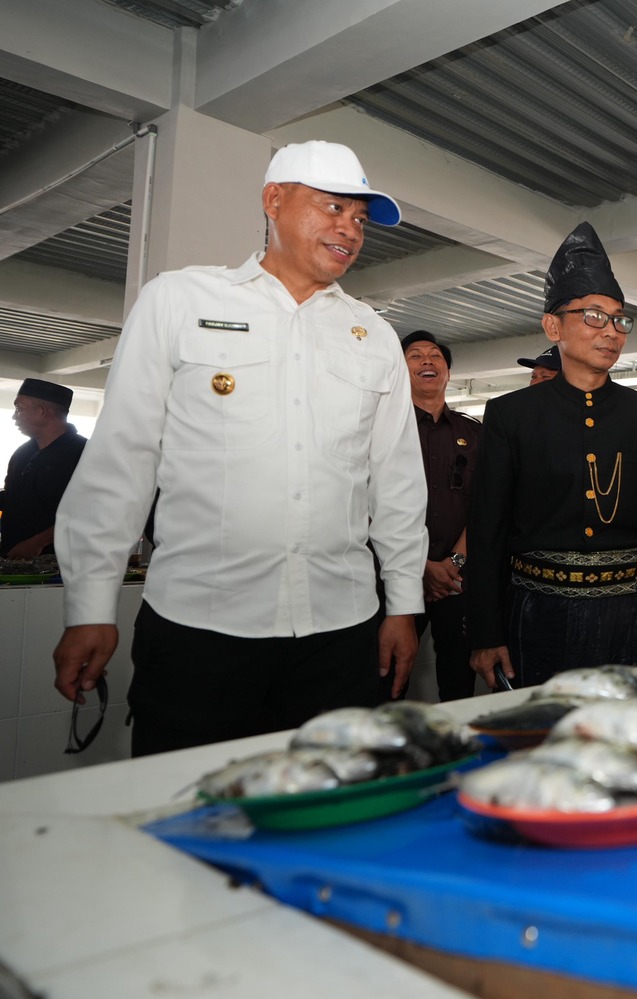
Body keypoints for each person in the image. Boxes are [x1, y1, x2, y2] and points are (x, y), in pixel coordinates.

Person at [51, 140, 427, 756]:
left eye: (359, 219)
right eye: (332, 207)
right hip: (201, 631)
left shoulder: (375, 335)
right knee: (189, 813)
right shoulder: (180, 301)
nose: (349, 230)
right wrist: (90, 602)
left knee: (328, 816)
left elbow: (397, 482)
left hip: (341, 631)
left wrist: (403, 603)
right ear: (273, 201)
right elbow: (123, 459)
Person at [466, 222, 637, 690]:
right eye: (593, 316)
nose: (611, 331)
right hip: (538, 610)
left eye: (619, 319)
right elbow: (488, 529)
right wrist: (486, 631)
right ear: (553, 325)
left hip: (632, 610)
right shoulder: (510, 414)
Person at [402, 329, 483, 701]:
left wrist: (454, 561)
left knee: (458, 680)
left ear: (448, 372)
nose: (427, 361)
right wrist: (420, 565)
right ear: (401, 370)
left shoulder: (475, 434)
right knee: (389, 676)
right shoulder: (384, 429)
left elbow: (485, 503)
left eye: (435, 355)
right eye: (415, 355)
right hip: (399, 576)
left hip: (457, 580)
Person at [1, 379, 87, 558]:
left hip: (65, 564)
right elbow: (13, 500)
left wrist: (38, 542)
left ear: (42, 411)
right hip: (14, 560)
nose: (14, 416)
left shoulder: (86, 454)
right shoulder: (22, 453)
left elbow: (93, 510)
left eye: (19, 408)